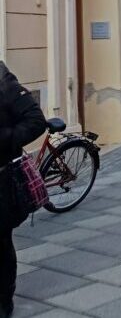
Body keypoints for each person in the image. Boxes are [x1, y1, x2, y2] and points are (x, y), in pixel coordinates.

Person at [0, 61, 47, 318]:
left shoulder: (3, 81)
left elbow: (36, 121)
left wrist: (5, 139)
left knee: (1, 243)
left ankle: (4, 298)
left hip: (1, 180)